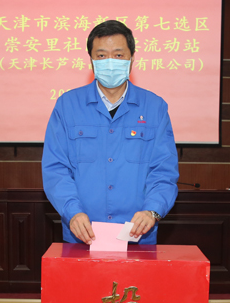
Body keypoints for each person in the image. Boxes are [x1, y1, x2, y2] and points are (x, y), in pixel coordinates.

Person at [42, 20, 179, 245]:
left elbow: (164, 171)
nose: (110, 62)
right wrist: (72, 211)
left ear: (132, 59)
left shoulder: (155, 108)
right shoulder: (67, 106)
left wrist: (152, 211)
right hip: (82, 235)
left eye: (118, 55)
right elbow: (55, 169)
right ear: (91, 60)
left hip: (137, 236)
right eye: (102, 55)